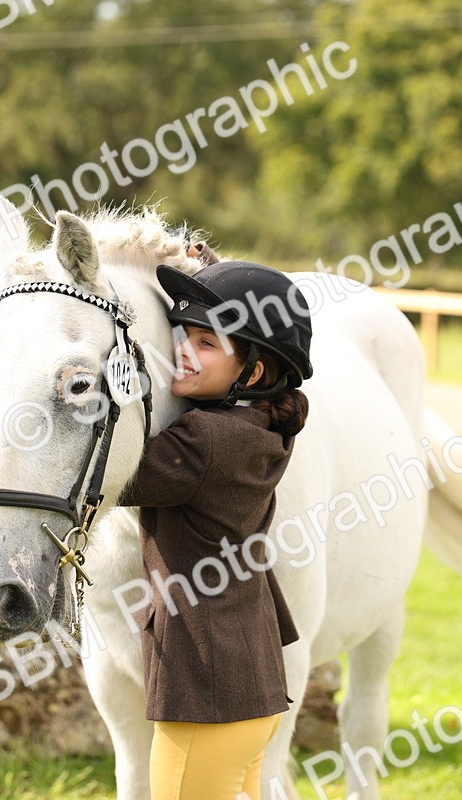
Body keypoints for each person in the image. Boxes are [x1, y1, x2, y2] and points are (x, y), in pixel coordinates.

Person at [115, 257, 314, 800]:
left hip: (206, 695)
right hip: (249, 689)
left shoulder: (203, 442)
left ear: (254, 372)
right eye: (183, 333)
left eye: (206, 343)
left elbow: (111, 479)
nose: (181, 348)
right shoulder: (261, 426)